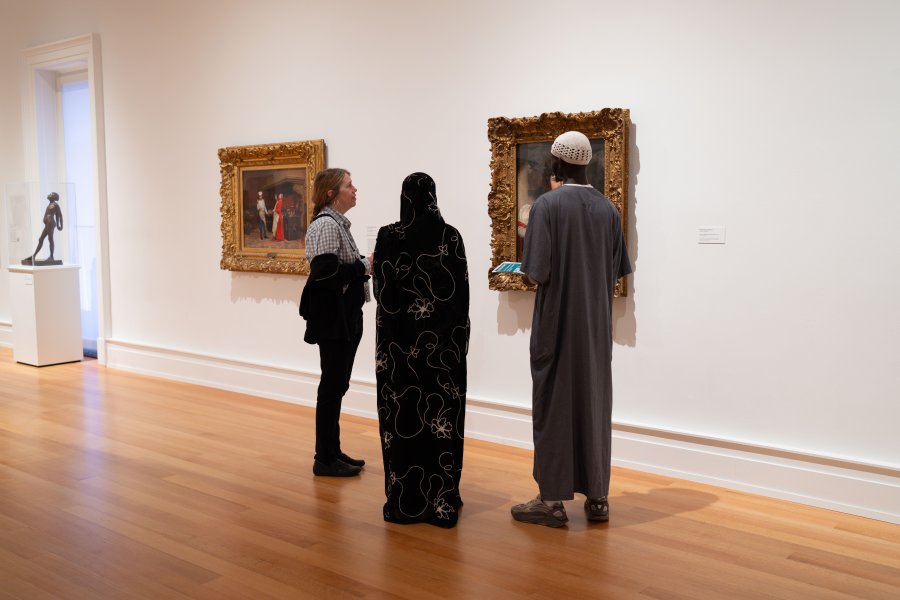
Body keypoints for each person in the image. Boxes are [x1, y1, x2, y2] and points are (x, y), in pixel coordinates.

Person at [511, 131, 632, 527]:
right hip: (595, 329)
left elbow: (536, 271)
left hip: (557, 324)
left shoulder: (547, 206)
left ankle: (552, 500)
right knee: (594, 404)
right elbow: (617, 270)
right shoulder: (608, 210)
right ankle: (597, 497)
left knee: (553, 406)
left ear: (557, 165)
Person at [373, 172, 470, 528]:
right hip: (443, 354)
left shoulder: (389, 236)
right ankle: (443, 497)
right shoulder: (451, 237)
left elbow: (384, 297)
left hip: (398, 353)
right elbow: (460, 300)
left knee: (403, 420)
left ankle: (404, 499)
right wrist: (454, 346)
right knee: (442, 420)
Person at [299, 168, 372, 477]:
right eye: (348, 185)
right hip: (335, 318)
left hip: (343, 316)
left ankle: (332, 450)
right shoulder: (328, 226)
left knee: (336, 385)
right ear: (332, 193)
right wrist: (363, 266)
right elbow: (326, 275)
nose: (354, 189)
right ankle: (324, 458)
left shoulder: (336, 225)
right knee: (332, 386)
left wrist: (359, 266)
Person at [24, 192, 64, 265]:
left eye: (51, 194)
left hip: (50, 223)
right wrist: (58, 224)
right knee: (41, 239)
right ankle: (34, 256)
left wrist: (60, 225)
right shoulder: (50, 204)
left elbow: (59, 215)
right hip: (48, 224)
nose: (49, 194)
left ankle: (51, 256)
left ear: (54, 197)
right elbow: (57, 216)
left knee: (50, 239)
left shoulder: (55, 205)